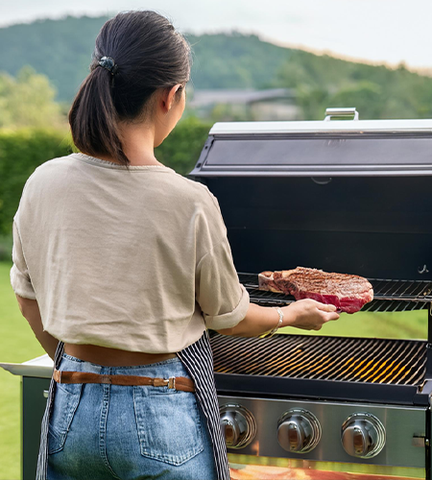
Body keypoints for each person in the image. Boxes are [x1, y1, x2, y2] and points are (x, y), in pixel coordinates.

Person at [10, 10, 340, 480]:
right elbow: (232, 317)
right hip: (160, 411)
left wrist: (77, 366)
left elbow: (27, 298)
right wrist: (293, 314)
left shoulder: (43, 182)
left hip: (70, 411)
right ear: (171, 96)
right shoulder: (188, 201)